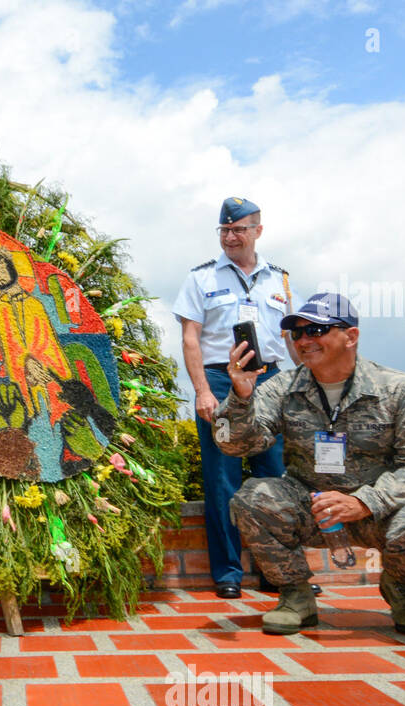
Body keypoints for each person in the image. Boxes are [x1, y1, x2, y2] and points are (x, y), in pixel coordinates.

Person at [216, 293, 405, 636]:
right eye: (297, 333)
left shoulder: (400, 389)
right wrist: (241, 397)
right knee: (253, 497)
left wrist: (365, 501)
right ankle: (295, 595)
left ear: (350, 336)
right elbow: (237, 446)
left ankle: (401, 587)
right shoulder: (281, 387)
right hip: (314, 509)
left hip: (383, 512)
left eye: (316, 330)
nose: (304, 340)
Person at [172, 196, 294, 599]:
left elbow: (290, 340)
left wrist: (307, 387)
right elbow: (190, 338)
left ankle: (277, 571)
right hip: (221, 382)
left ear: (258, 230)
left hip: (271, 381)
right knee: (222, 480)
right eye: (225, 229)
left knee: (273, 478)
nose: (231, 236)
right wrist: (202, 391)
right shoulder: (201, 278)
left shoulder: (281, 279)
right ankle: (227, 574)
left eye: (239, 228)